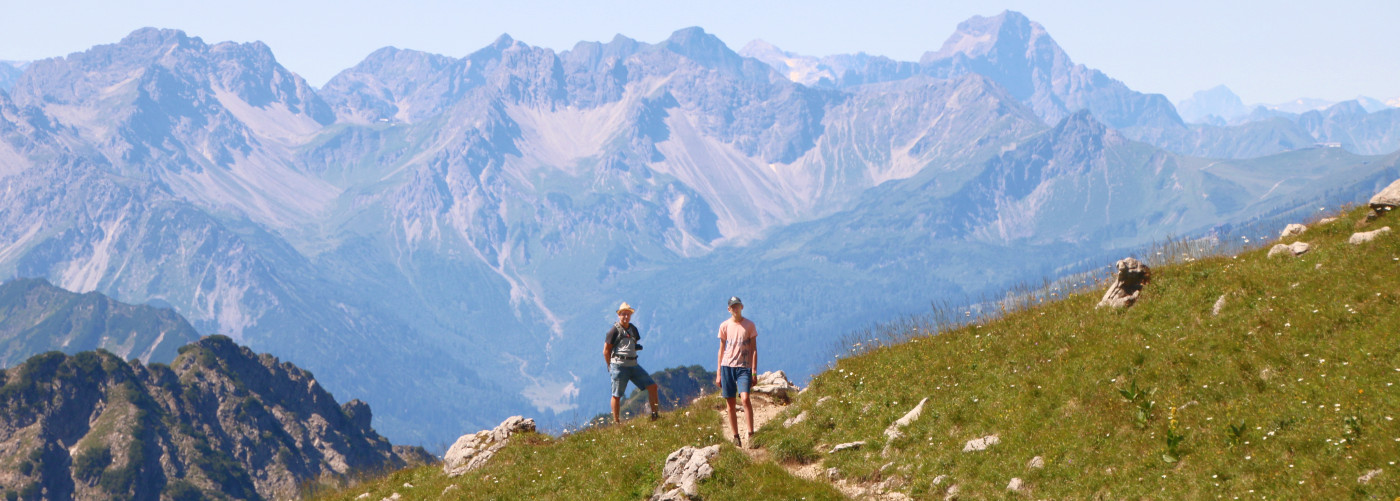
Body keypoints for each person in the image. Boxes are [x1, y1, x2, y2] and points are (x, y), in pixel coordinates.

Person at [604, 301, 660, 423]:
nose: (626, 317)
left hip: (633, 364)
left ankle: (655, 414)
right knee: (616, 395)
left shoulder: (633, 329)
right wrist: (610, 366)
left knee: (652, 386)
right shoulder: (613, 331)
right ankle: (616, 422)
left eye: (628, 314)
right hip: (619, 366)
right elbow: (606, 350)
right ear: (619, 315)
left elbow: (632, 344)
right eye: (623, 314)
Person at [714, 296, 758, 447]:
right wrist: (718, 372)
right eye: (733, 307)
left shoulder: (749, 325)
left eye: (737, 306)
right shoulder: (724, 326)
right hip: (727, 366)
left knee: (745, 399)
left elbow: (753, 350)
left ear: (742, 307)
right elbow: (721, 349)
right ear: (729, 309)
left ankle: (751, 433)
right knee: (730, 402)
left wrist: (753, 371)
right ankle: (735, 436)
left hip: (744, 367)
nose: (735, 309)